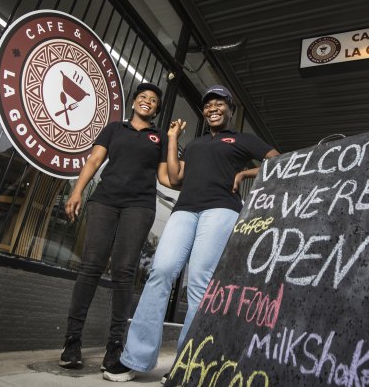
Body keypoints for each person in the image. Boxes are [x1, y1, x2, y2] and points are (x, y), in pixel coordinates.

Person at [103, 85, 280, 382]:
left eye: (220, 103)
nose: (213, 107)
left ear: (230, 110)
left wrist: (245, 173)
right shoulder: (196, 145)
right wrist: (172, 139)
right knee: (160, 271)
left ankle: (187, 363)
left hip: (221, 210)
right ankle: (134, 358)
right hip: (184, 210)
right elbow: (174, 177)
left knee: (199, 282)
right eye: (208, 104)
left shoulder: (242, 139)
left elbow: (279, 161)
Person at [60, 82, 173, 370]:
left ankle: (115, 346)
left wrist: (175, 144)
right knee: (90, 266)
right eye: (143, 97)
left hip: (139, 206)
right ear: (134, 102)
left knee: (124, 272)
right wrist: (76, 191)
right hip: (105, 202)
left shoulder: (159, 137)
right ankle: (72, 342)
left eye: (153, 100)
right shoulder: (114, 129)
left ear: (156, 109)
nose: (147, 101)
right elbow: (95, 160)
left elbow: (165, 178)